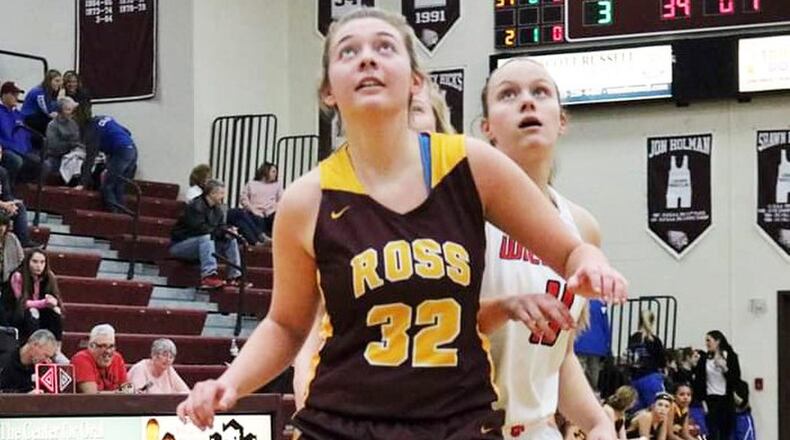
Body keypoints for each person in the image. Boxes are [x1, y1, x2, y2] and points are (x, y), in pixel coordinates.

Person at [177, 8, 627, 438]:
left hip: (456, 421)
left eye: (385, 47)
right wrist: (230, 382)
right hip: (344, 421)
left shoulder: (472, 165)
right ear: (328, 91)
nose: (367, 57)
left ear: (416, 81)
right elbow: (287, 325)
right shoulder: (305, 200)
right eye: (348, 51)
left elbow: (571, 249)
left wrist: (591, 263)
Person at [291, 79, 454, 410]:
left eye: (417, 108)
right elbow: (306, 327)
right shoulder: (327, 202)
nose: (405, 117)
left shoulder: (467, 205)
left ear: (439, 126)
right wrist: (307, 395)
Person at [477, 57, 616, 439]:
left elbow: (558, 355)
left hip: (537, 429)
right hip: (465, 425)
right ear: (487, 129)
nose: (527, 102)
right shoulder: (463, 214)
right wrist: (504, 308)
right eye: (508, 94)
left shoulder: (582, 229)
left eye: (540, 92)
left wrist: (596, 420)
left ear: (562, 120)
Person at [169, 179, 242, 289]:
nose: (223, 196)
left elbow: (220, 227)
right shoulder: (195, 206)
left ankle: (234, 276)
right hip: (181, 245)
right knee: (206, 238)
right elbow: (201, 229)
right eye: (221, 193)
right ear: (212, 193)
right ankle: (208, 276)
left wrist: (229, 231)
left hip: (205, 244)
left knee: (231, 239)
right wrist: (222, 233)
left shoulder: (218, 209)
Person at [80, 114, 138, 213]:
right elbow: (127, 132)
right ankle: (123, 215)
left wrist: (82, 183)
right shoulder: (105, 118)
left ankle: (115, 215)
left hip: (121, 152)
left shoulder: (92, 132)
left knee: (107, 186)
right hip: (132, 150)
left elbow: (89, 160)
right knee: (119, 186)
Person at [4, 250, 64, 344]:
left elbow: (55, 297)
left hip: (41, 312)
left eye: (42, 262)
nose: (39, 266)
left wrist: (53, 302)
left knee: (56, 311)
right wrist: (44, 303)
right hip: (17, 313)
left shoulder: (49, 276)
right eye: (35, 261)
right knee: (33, 312)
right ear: (28, 262)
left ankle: (56, 347)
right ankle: (34, 344)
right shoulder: (18, 276)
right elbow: (22, 303)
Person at [693, 330, 741, 440]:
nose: (706, 343)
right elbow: (699, 381)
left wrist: (724, 368)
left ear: (718, 341)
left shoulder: (731, 357)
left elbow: (735, 380)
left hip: (726, 399)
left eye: (709, 340)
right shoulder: (704, 359)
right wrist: (702, 401)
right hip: (710, 399)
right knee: (712, 431)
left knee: (725, 432)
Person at [228, 162, 282, 244]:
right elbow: (243, 199)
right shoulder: (251, 184)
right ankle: (260, 239)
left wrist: (272, 209)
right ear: (265, 171)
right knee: (254, 218)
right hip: (255, 211)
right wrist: (252, 209)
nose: (276, 174)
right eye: (273, 171)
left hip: (270, 212)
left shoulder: (277, 185)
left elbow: (281, 200)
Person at [71, 323, 129, 393]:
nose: (108, 351)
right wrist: (120, 392)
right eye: (102, 346)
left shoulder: (117, 358)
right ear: (91, 346)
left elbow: (127, 390)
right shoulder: (81, 359)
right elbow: (93, 395)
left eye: (111, 346)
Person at [628, 309, 667, 411]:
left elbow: (630, 356)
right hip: (651, 377)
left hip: (635, 378)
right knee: (658, 410)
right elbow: (662, 361)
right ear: (653, 322)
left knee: (637, 412)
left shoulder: (633, 338)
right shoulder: (654, 340)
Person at [0, 81, 35, 188]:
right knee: (16, 161)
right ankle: (8, 190)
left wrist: (28, 148)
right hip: (5, 149)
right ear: (4, 95)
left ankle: (20, 184)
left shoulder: (18, 115)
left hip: (21, 149)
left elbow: (25, 134)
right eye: (13, 94)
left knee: (42, 163)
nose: (16, 97)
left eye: (17, 94)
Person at [0, 145, 36, 247]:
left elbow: (7, 195)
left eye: (0, 153)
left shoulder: (2, 172)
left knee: (19, 206)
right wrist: (3, 205)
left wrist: (11, 205)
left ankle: (23, 242)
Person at [0, 328, 57, 393]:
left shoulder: (43, 368)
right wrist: (25, 396)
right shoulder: (5, 361)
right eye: (46, 356)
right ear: (34, 345)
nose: (47, 361)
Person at [574, 298, 612, 394]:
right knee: (594, 374)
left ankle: (578, 394)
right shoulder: (601, 304)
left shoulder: (580, 302)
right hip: (597, 345)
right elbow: (605, 326)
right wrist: (607, 345)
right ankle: (593, 395)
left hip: (580, 342)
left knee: (578, 373)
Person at [45, 96, 84, 184]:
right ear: (60, 111)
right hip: (56, 157)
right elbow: (54, 146)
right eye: (68, 110)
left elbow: (78, 140)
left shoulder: (73, 123)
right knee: (47, 165)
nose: (71, 113)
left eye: (72, 110)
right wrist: (71, 144)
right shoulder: (52, 125)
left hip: (74, 155)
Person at [20, 69, 62, 139]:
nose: (60, 83)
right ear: (49, 81)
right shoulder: (39, 92)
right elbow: (47, 110)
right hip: (29, 117)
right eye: (57, 81)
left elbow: (53, 108)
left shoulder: (50, 91)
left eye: (60, 81)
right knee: (53, 124)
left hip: (39, 115)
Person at [0, 213, 23, 283]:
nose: (1, 228)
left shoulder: (12, 238)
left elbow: (21, 258)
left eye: (3, 224)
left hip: (9, 280)